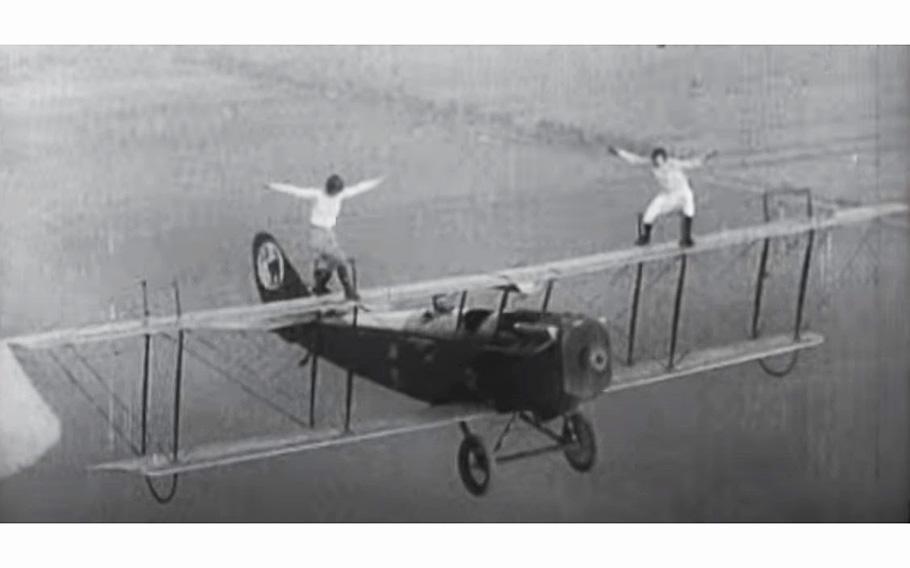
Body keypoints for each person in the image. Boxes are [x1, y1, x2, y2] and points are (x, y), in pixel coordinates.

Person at [266, 173, 384, 300]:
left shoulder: (340, 195)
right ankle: (349, 291)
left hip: (329, 234)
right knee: (341, 260)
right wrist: (273, 186)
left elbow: (359, 188)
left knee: (329, 264)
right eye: (332, 192)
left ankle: (319, 287)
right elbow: (295, 191)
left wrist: (379, 180)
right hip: (317, 234)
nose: (333, 195)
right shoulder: (317, 195)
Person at [608, 145, 717, 247]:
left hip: (682, 192)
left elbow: (693, 163)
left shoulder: (673, 164)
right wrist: (618, 152)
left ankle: (686, 238)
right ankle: (645, 237)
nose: (658, 165)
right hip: (667, 194)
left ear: (665, 159)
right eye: (656, 162)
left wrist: (707, 156)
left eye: (660, 162)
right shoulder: (651, 164)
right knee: (649, 214)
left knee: (689, 207)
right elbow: (635, 159)